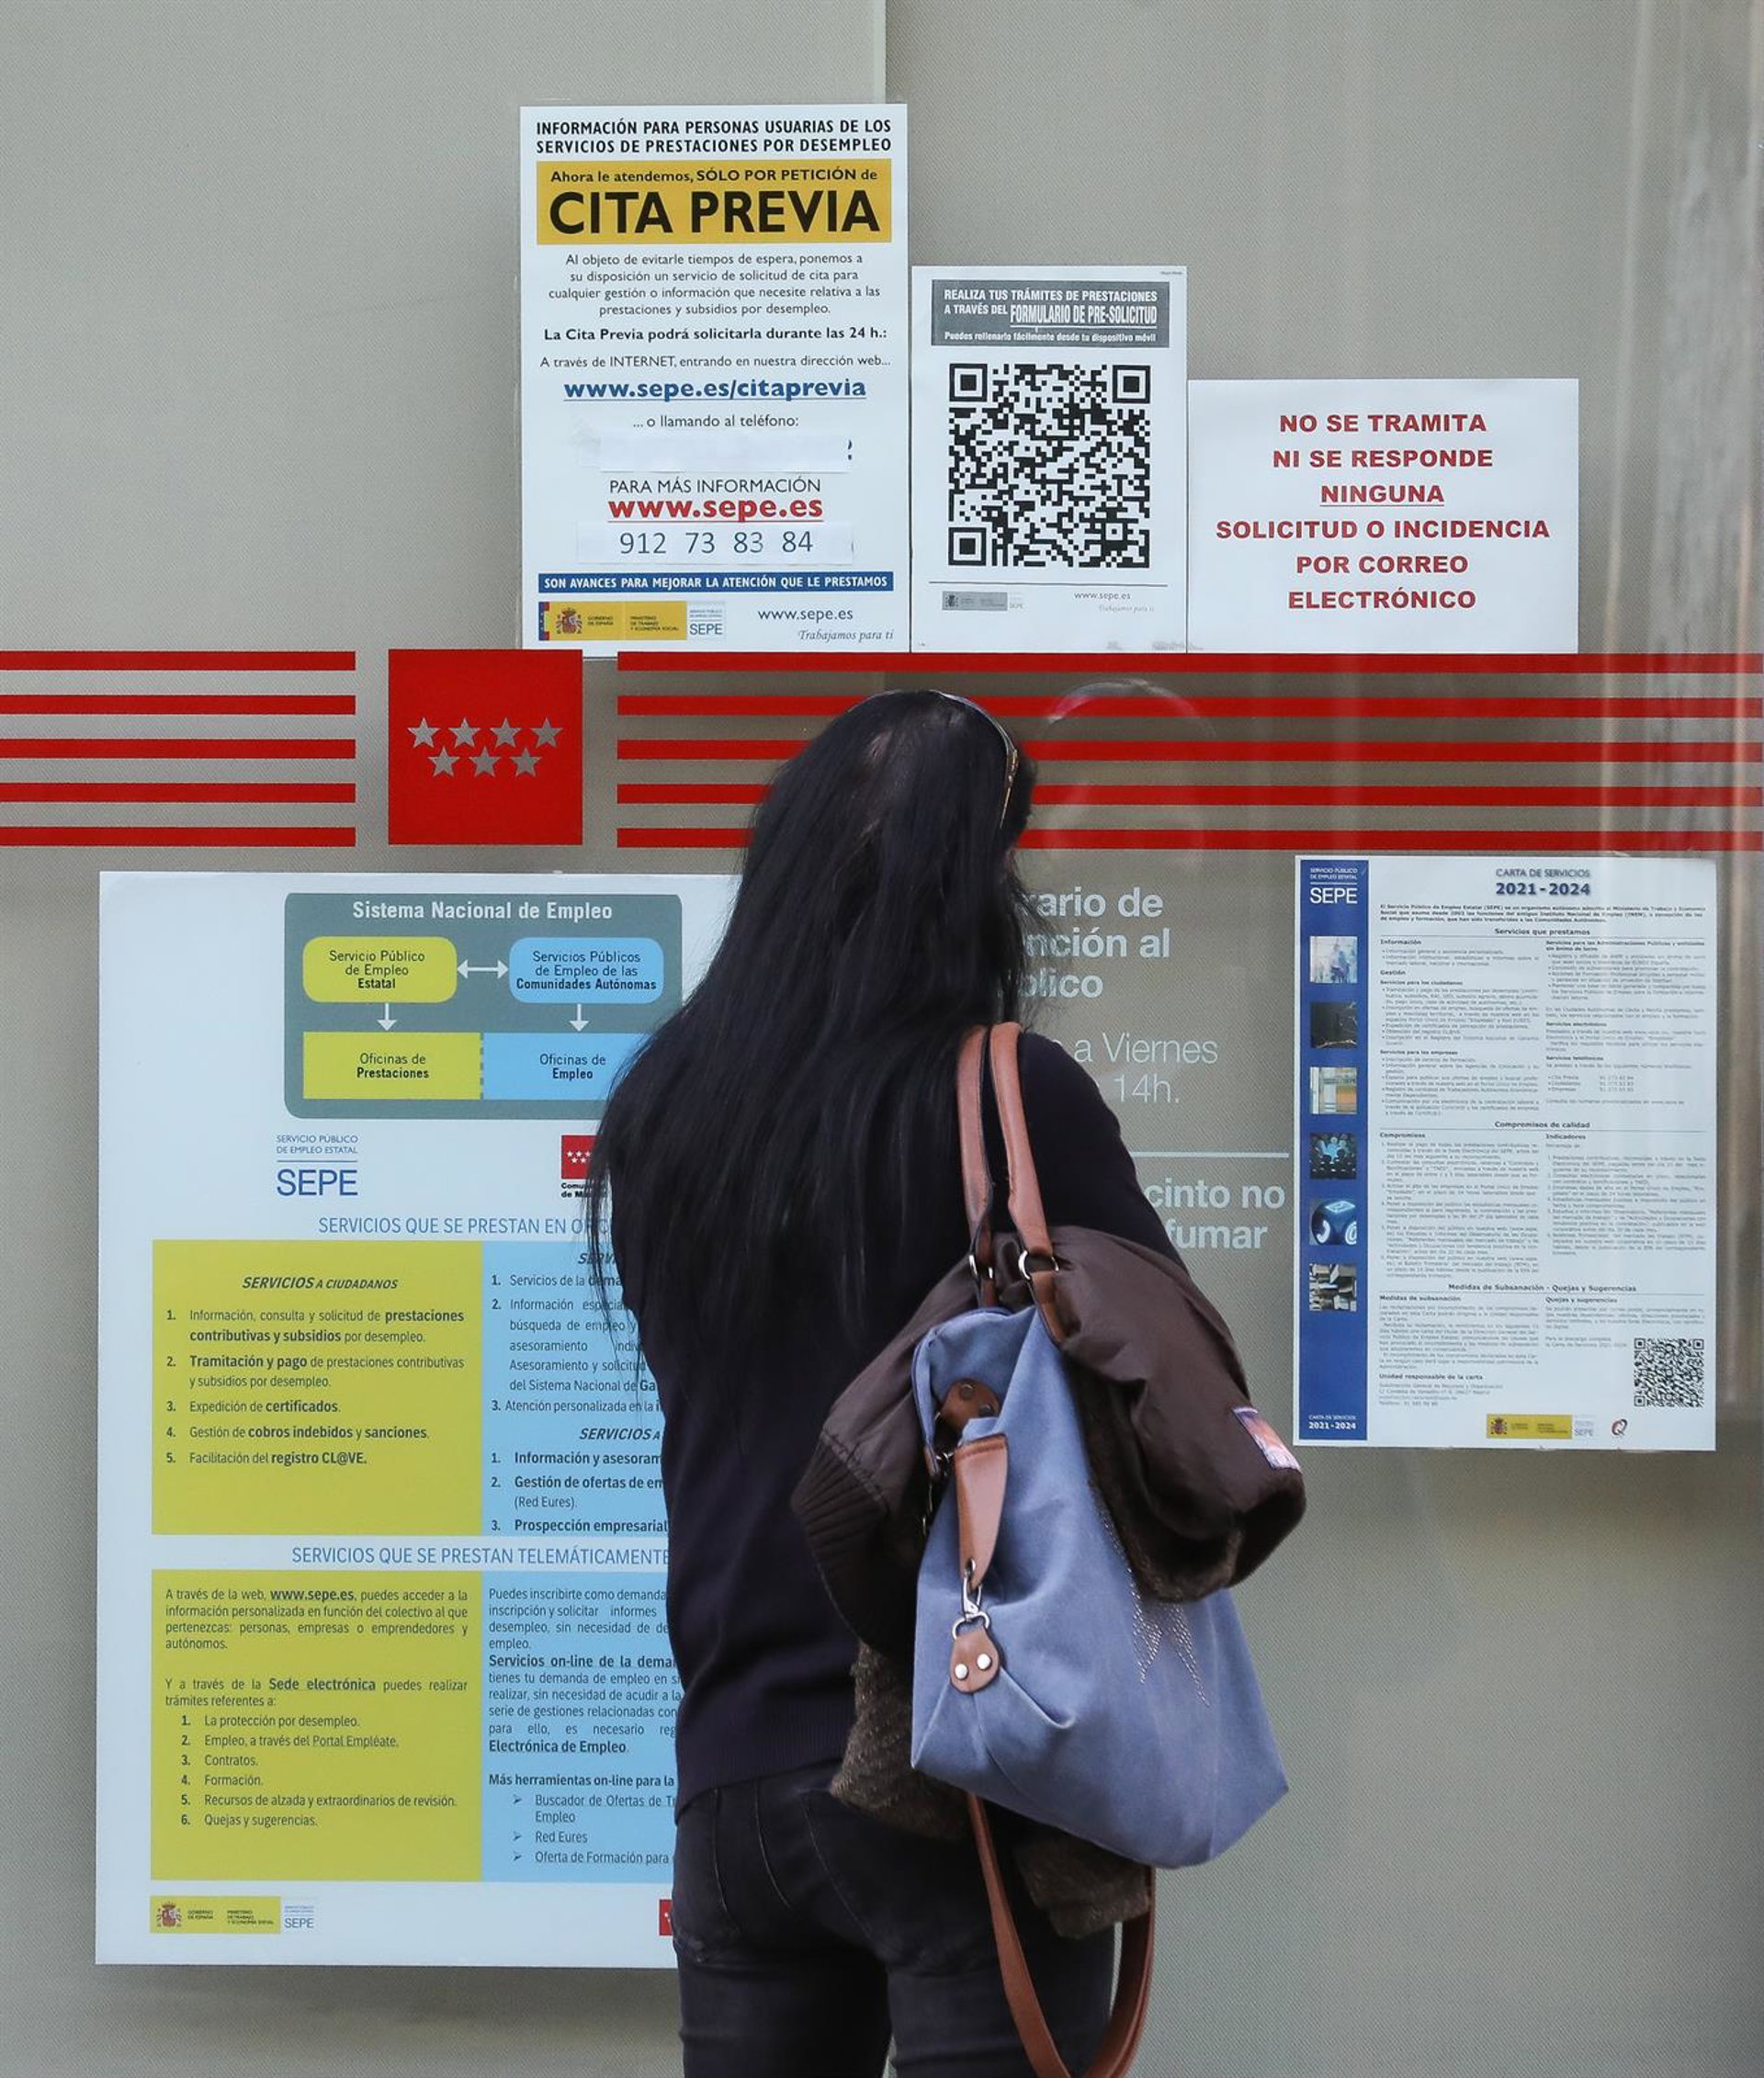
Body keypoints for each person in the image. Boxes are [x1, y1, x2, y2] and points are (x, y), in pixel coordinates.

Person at [588, 688, 1178, 2077]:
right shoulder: (1009, 1096)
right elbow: (1171, 1390)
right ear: (969, 887)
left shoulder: (666, 1111)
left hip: (733, 1780)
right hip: (958, 1762)